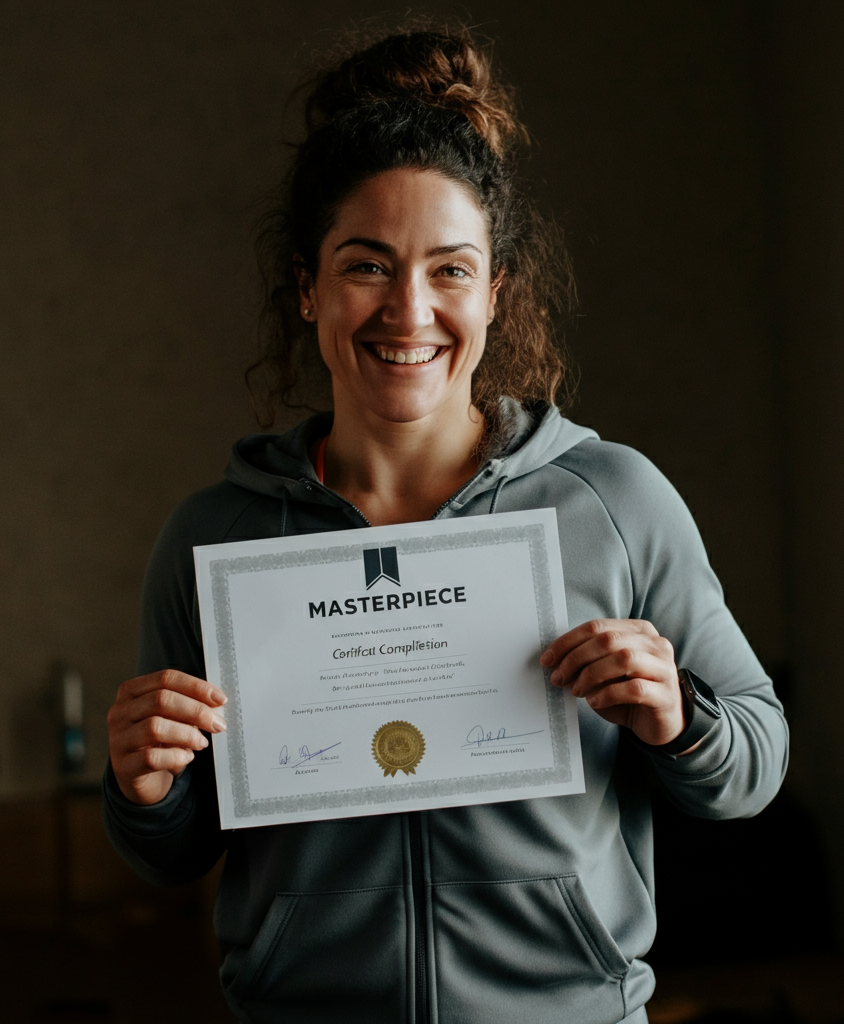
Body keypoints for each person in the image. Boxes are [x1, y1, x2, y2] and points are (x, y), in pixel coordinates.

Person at [103, 27, 788, 1024]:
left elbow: (756, 764)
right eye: (366, 265)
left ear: (495, 290)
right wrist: (145, 784)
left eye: (450, 270)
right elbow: (170, 853)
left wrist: (677, 715)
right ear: (307, 286)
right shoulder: (215, 538)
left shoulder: (613, 500)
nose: (408, 309)